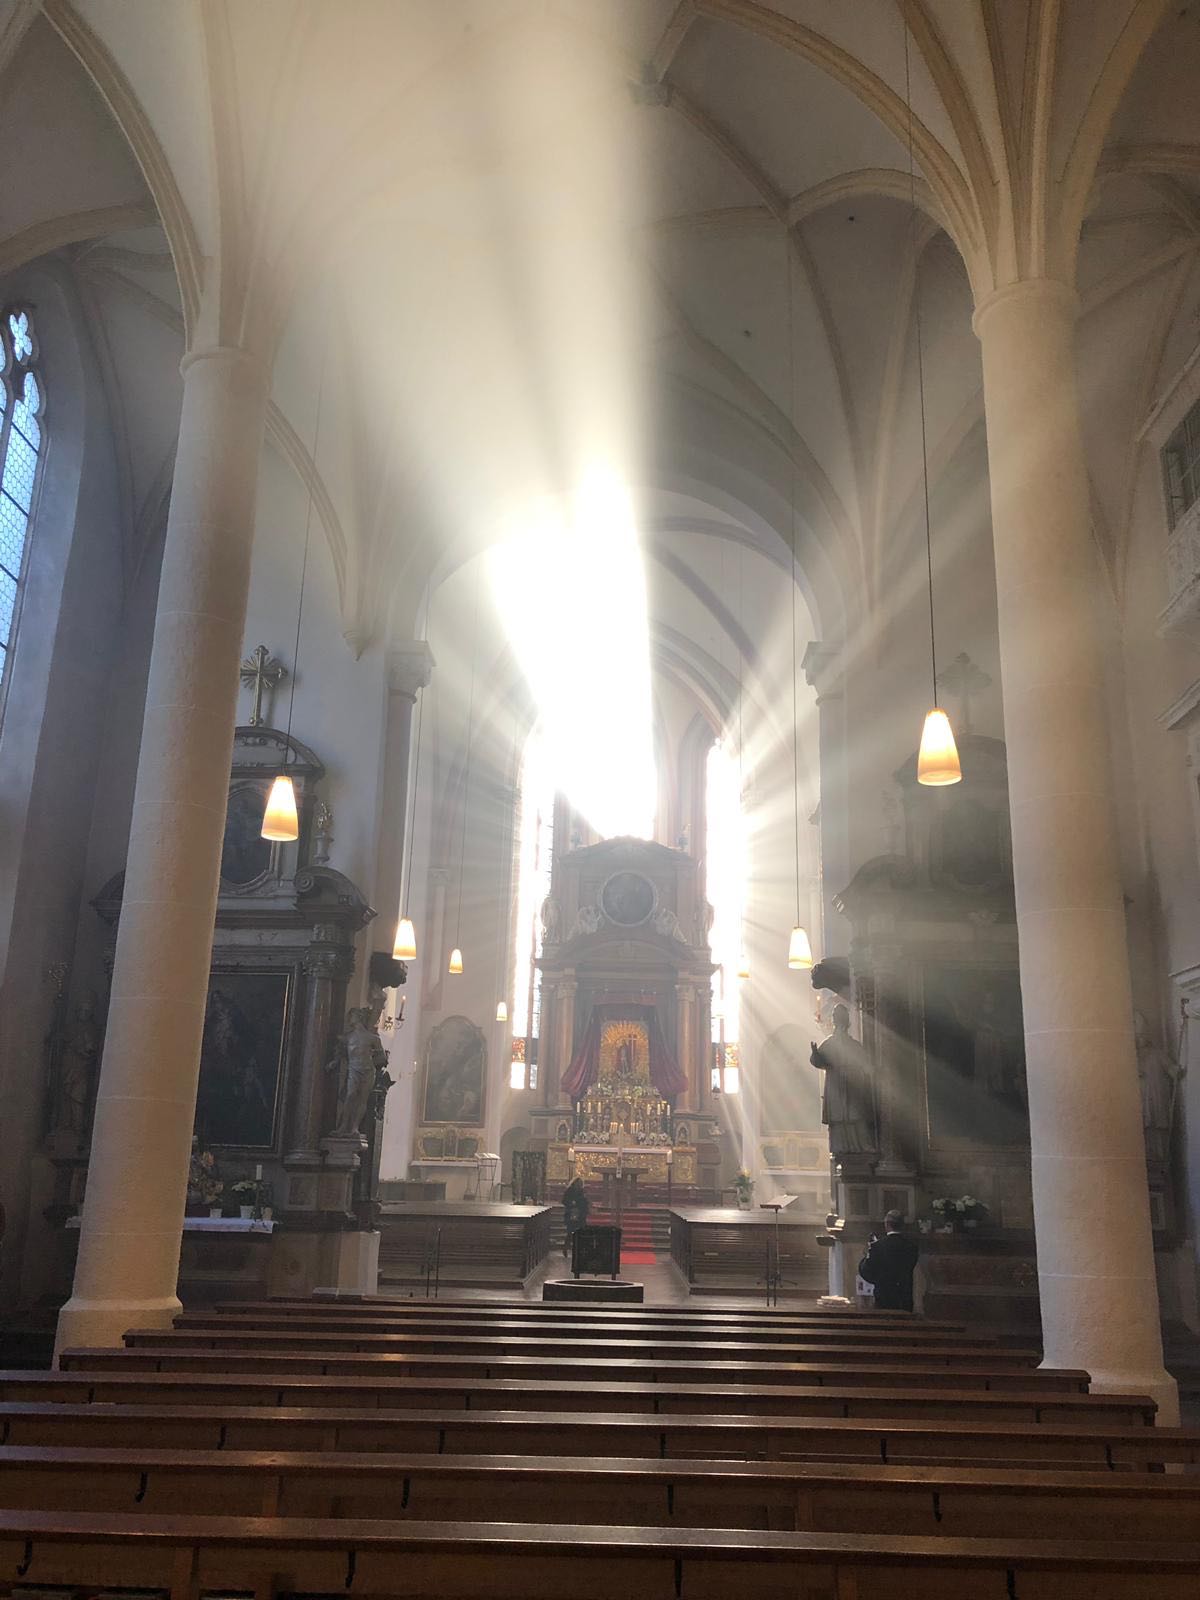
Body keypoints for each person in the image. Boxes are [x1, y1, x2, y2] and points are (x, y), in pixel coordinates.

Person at [858, 1209, 919, 1312]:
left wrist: (866, 1257)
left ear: (886, 1224)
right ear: (902, 1225)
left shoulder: (877, 1246)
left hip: (884, 1296)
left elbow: (867, 1271)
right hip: (904, 1295)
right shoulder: (912, 1247)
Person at [561, 1176, 590, 1258]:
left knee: (581, 1232)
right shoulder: (569, 1191)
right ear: (574, 1183)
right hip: (571, 1214)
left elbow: (585, 1202)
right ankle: (566, 1248)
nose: (579, 1185)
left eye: (581, 1184)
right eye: (578, 1183)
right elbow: (564, 1201)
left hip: (581, 1215)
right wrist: (571, 1204)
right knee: (570, 1232)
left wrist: (586, 1208)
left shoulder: (582, 1191)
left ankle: (579, 1250)